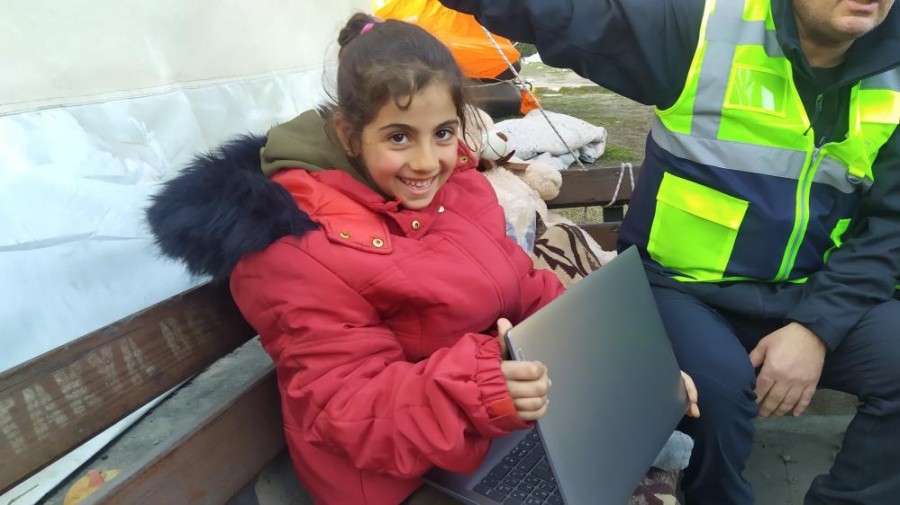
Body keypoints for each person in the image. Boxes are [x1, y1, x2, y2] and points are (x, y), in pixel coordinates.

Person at [146, 13, 699, 505]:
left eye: (443, 133)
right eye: (398, 137)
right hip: (394, 478)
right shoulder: (296, 246)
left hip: (479, 427)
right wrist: (484, 387)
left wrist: (627, 366)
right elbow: (347, 409)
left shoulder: (459, 190)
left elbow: (522, 285)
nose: (427, 161)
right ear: (348, 135)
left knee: (638, 435)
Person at [438, 0, 900, 504]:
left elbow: (889, 228)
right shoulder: (699, 28)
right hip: (683, 291)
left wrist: (815, 328)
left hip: (815, 292)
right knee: (717, 396)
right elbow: (560, 10)